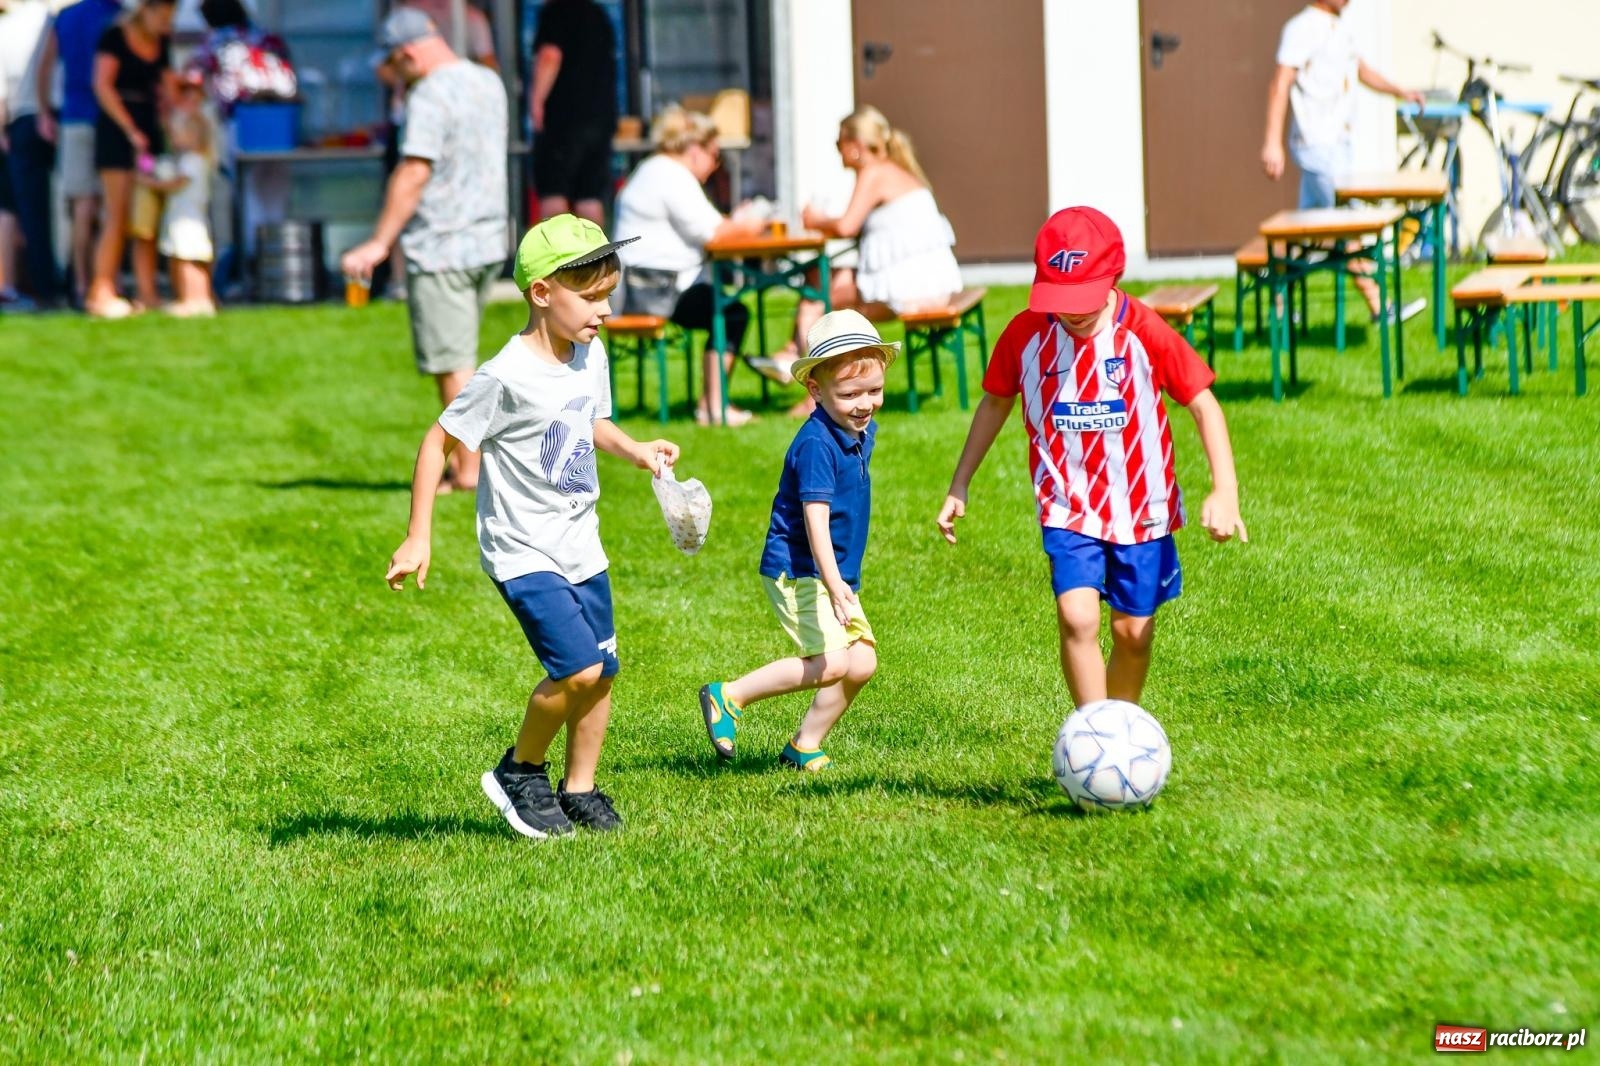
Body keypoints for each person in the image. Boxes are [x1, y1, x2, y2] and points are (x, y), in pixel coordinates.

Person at [385, 215, 680, 838]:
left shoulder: (589, 351)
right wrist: (418, 534)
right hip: (523, 549)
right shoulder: (504, 376)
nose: (605, 310)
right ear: (542, 292)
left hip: (581, 542)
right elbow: (438, 442)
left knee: (603, 671)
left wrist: (634, 450)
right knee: (577, 668)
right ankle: (519, 771)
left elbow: (591, 420)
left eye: (608, 295)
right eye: (592, 297)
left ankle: (580, 788)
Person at [936, 207, 1246, 713]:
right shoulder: (1026, 335)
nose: (1073, 312)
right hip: (1068, 501)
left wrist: (1225, 489)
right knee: (1077, 618)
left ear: (1113, 277)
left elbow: (1203, 404)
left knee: (1132, 633)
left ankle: (1121, 726)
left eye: (1083, 298)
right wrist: (960, 482)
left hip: (1142, 505)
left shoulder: (1143, 330)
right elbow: (995, 402)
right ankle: (1094, 732)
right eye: (1061, 300)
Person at [696, 309, 891, 772]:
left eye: (874, 390)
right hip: (801, 568)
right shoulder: (817, 444)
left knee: (861, 662)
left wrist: (839, 578)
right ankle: (729, 696)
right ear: (815, 391)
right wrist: (834, 583)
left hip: (833, 571)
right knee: (833, 662)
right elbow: (814, 519)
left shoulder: (858, 429)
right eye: (850, 394)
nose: (864, 404)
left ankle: (804, 744)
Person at [341, 8, 508, 493]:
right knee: (464, 357)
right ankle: (470, 466)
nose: (395, 75)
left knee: (452, 364)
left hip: (442, 245)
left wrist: (379, 243)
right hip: (487, 239)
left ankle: (469, 472)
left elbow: (415, 170)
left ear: (408, 54)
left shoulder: (429, 94)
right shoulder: (489, 81)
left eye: (394, 65)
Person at [1261, 0, 1425, 323]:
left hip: (1338, 147)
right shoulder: (1302, 28)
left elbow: (1362, 70)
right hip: (1316, 147)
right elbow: (1279, 83)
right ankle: (1381, 307)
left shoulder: (1340, 28)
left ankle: (1279, 307)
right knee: (1348, 230)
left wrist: (1400, 91)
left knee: (1298, 230)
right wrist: (1271, 143)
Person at [614, 104, 770, 426]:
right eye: (715, 155)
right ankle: (714, 406)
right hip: (656, 290)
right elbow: (715, 233)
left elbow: (708, 227)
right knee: (731, 314)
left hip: (640, 286)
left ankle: (710, 404)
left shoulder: (652, 170)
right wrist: (751, 223)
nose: (716, 164)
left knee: (723, 307)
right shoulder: (672, 176)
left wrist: (733, 224)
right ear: (695, 149)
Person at [791, 106, 961, 348]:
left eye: (839, 144)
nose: (838, 152)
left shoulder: (873, 172)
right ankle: (800, 355)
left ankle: (797, 358)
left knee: (817, 290)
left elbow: (847, 227)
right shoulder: (896, 169)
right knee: (824, 279)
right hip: (933, 283)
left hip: (911, 290)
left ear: (856, 145)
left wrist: (815, 219)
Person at [185, 0, 294, 277]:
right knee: (275, 195)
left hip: (241, 123)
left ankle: (254, 263)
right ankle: (278, 260)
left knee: (248, 195)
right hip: (281, 122)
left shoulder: (215, 43)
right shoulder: (267, 37)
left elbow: (191, 79)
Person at [84, 0, 178, 318]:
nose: (165, 23)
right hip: (117, 132)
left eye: (170, 17)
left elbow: (169, 88)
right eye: (161, 16)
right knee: (117, 214)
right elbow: (102, 86)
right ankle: (100, 292)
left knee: (145, 216)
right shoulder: (114, 36)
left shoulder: (162, 42)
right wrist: (130, 130)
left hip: (149, 132)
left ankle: (147, 293)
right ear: (145, 10)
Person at [34, 0, 120, 307]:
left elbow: (44, 67)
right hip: (109, 118)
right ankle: (105, 281)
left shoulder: (66, 17)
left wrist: (44, 111)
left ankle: (82, 283)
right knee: (111, 205)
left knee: (82, 205)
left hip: (74, 118)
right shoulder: (116, 15)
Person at [530, 0, 614, 225]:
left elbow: (550, 56)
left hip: (563, 120)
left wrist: (536, 101)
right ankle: (595, 247)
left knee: (554, 190)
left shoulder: (555, 13)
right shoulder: (598, 14)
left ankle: (556, 248)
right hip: (599, 120)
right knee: (590, 195)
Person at [136, 91, 215, 315]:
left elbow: (175, 184)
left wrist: (149, 183)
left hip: (186, 221)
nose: (173, 138)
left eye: (177, 134)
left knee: (185, 261)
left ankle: (192, 299)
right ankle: (200, 299)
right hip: (189, 219)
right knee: (192, 260)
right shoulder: (197, 159)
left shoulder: (192, 161)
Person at [0, 0, 54, 309]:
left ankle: (38, 287)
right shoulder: (51, 19)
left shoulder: (6, 28)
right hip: (55, 117)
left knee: (25, 210)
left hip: (20, 123)